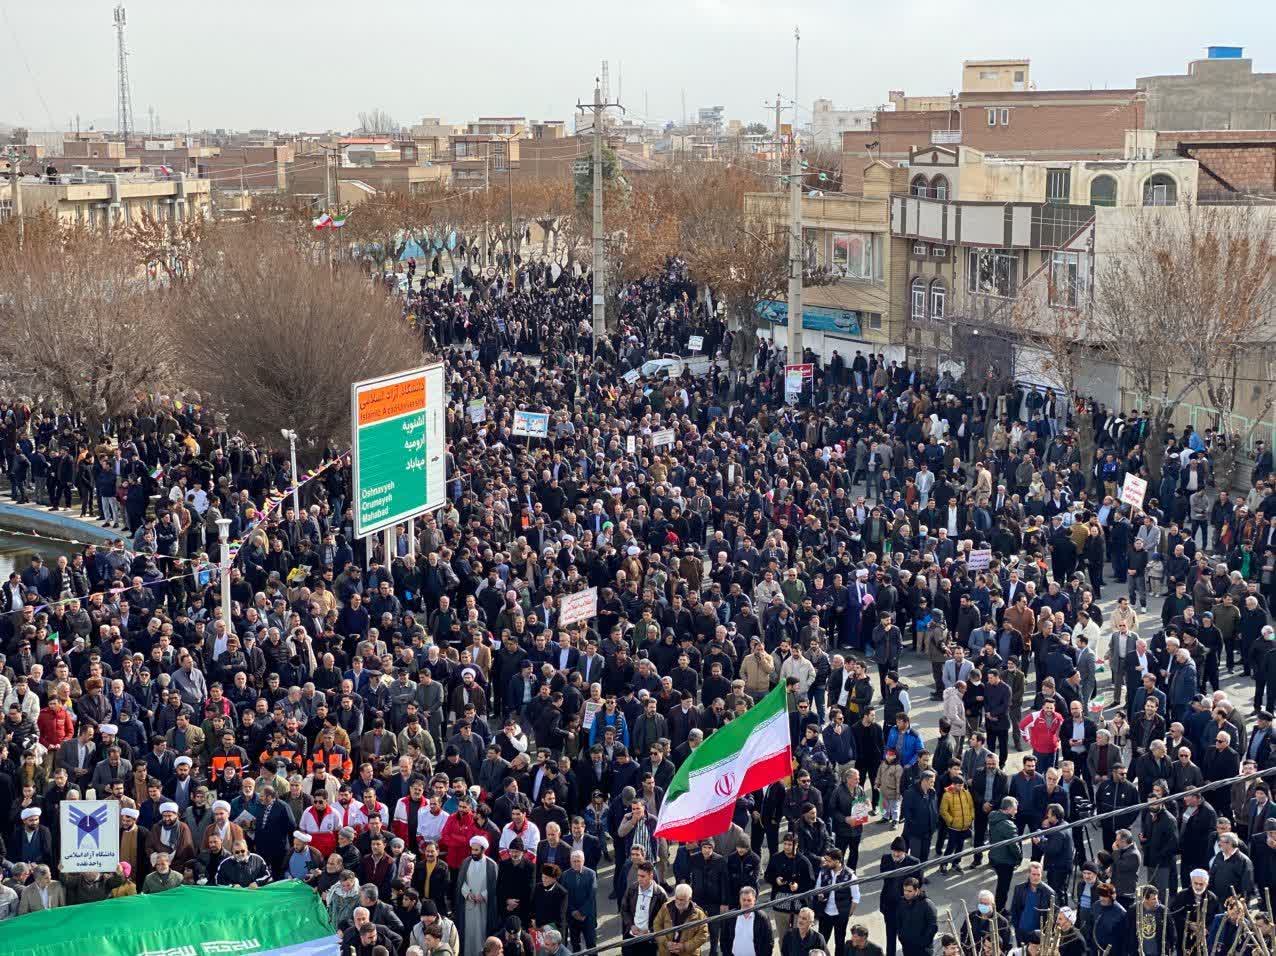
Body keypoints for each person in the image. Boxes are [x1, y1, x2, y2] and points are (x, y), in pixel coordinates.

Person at [651, 882, 708, 956]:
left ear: (689, 899)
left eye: (682, 900)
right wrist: (666, 942)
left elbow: (703, 935)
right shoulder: (666, 907)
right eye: (677, 898)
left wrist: (684, 946)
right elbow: (656, 925)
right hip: (666, 952)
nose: (678, 902)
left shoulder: (699, 914)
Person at [719, 887, 774, 956]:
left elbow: (769, 942)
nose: (746, 903)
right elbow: (724, 939)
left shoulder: (762, 917)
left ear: (754, 900)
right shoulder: (730, 916)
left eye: (749, 900)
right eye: (743, 900)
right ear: (739, 900)